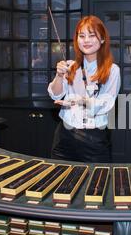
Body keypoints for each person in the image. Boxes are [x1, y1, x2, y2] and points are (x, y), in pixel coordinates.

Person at [47, 15, 121, 163]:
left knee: (97, 183)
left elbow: (106, 104)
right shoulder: (70, 66)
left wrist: (80, 101)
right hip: (64, 135)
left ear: (102, 39)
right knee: (61, 182)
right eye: (82, 36)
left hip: (94, 138)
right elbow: (55, 95)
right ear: (77, 40)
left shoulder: (112, 70)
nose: (86, 40)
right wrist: (59, 76)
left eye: (92, 35)